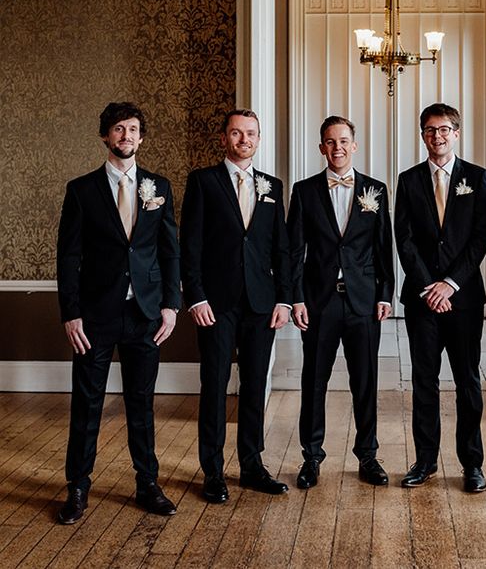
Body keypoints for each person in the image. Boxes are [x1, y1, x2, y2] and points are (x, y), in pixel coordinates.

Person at [56, 102, 181, 524]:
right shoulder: (82, 190)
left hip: (145, 314)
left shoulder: (158, 187)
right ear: (106, 136)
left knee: (141, 403)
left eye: (132, 129)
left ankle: (147, 484)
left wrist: (170, 306)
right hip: (95, 316)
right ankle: (77, 487)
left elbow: (169, 252)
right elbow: (68, 256)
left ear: (141, 137)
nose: (125, 136)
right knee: (87, 403)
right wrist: (71, 314)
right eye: (117, 129)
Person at [180, 109, 291, 503]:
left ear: (259, 139)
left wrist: (284, 299)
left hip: (261, 304)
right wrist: (195, 296)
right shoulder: (203, 181)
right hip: (216, 302)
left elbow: (281, 248)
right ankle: (212, 470)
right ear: (224, 138)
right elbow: (189, 246)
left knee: (255, 384)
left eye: (251, 133)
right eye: (236, 133)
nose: (244, 139)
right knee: (213, 386)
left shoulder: (272, 186)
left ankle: (252, 464)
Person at [287, 115, 395, 489]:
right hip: (319, 303)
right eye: (330, 142)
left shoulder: (375, 191)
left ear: (355, 145)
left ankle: (368, 455)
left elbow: (385, 248)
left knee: (365, 381)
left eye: (344, 141)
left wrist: (385, 294)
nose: (337, 148)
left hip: (363, 302)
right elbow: (293, 252)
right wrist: (296, 298)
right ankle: (311, 458)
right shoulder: (303, 192)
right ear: (321, 148)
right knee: (314, 381)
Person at [394, 103, 486, 492]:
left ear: (456, 133)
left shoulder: (476, 177)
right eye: (430, 130)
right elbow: (403, 240)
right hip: (422, 301)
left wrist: (450, 283)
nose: (438, 136)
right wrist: (428, 286)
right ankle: (425, 461)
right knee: (424, 382)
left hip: (464, 299)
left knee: (468, 382)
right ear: (422, 136)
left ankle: (472, 463)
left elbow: (481, 236)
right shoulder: (408, 180)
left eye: (445, 129)